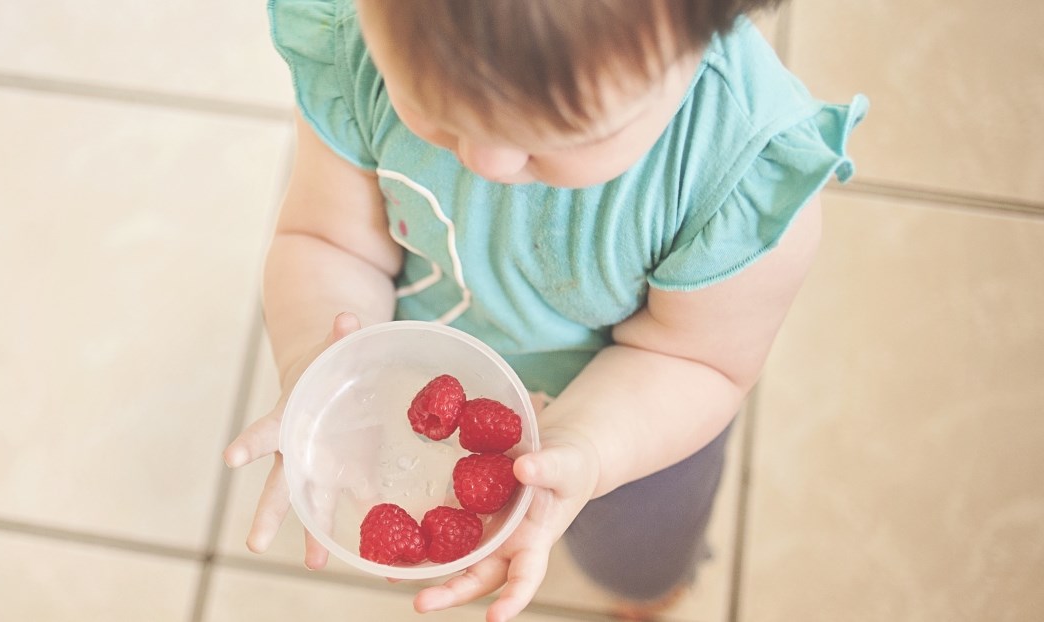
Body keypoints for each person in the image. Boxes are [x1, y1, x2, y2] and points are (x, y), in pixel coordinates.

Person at [223, 0, 867, 619]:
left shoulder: (738, 173)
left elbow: (697, 360)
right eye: (430, 104)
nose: (487, 161)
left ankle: (646, 590)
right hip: (434, 371)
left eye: (559, 134)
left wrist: (587, 447)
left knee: (638, 556)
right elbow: (330, 241)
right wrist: (320, 364)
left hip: (638, 416)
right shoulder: (362, 42)